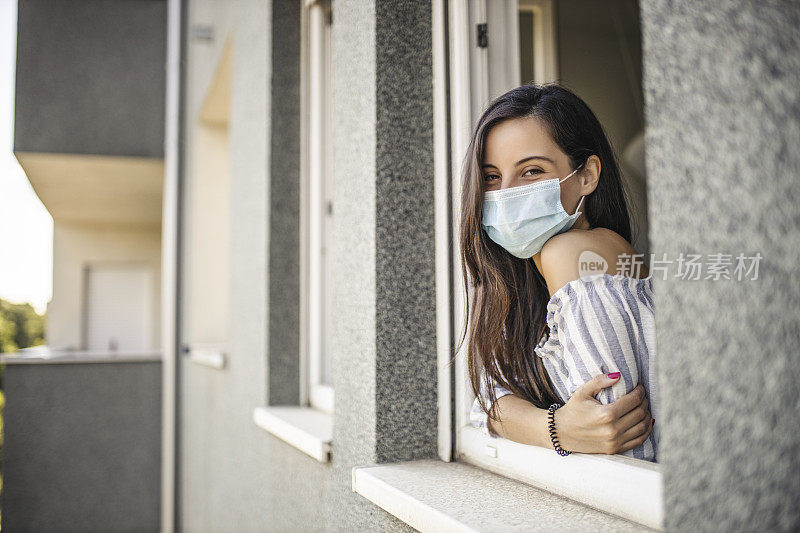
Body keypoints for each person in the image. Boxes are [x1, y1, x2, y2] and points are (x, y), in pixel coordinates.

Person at [459, 83, 658, 461]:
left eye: (531, 171)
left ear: (586, 176)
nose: (506, 194)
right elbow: (491, 401)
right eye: (491, 177)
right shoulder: (524, 277)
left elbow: (619, 436)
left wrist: (554, 428)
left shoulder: (571, 254)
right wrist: (557, 428)